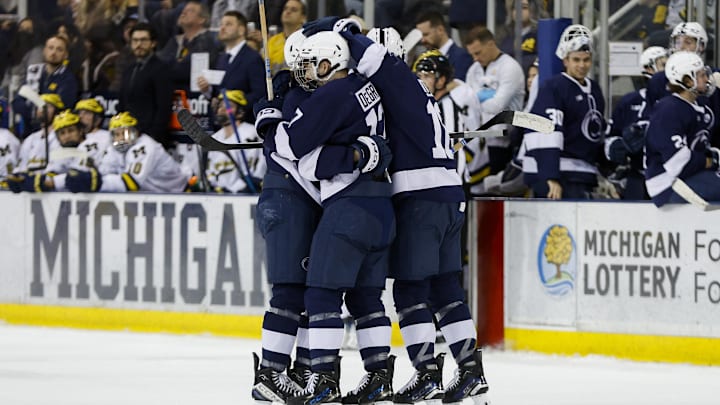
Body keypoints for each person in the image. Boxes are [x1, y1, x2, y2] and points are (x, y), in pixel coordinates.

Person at [303, 17, 490, 404]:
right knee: (445, 287)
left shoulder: (395, 76)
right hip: (450, 194)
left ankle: (427, 372)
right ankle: (471, 371)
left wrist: (332, 27)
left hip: (420, 198)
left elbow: (358, 48)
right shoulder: (416, 91)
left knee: (409, 289)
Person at [255, 30, 396, 405]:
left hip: (343, 204)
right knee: (366, 297)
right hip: (382, 204)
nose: (303, 72)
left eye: (309, 64)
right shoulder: (371, 88)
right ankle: (376, 376)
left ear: (330, 61)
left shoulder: (332, 93)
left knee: (316, 293)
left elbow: (296, 150)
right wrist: (362, 152)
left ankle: (314, 377)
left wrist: (268, 120)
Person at [520, 24, 606, 200]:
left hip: (582, 173)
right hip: (558, 174)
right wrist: (550, 177)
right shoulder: (553, 87)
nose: (582, 65)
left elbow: (596, 132)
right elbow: (544, 131)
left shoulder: (595, 89)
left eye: (586, 59)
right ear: (565, 60)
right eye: (576, 60)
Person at [645, 51, 720, 206]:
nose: (707, 79)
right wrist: (710, 161)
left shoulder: (700, 106)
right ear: (686, 80)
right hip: (668, 184)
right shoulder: (668, 110)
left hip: (689, 178)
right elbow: (678, 164)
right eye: (700, 75)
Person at [63, 111, 192, 193]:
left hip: (180, 194)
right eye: (116, 134)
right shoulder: (114, 149)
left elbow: (131, 183)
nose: (120, 139)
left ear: (136, 132)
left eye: (124, 133)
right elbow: (102, 172)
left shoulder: (145, 146)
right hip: (155, 197)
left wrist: (96, 182)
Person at [464, 26, 526, 193]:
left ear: (491, 44)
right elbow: (467, 105)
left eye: (478, 53)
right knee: (474, 191)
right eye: (472, 54)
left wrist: (477, 98)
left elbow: (497, 106)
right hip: (477, 140)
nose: (475, 58)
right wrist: (485, 97)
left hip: (503, 141)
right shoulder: (473, 70)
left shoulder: (510, 67)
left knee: (494, 192)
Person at [605, 46, 667, 200]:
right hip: (637, 178)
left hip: (671, 178)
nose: (668, 70)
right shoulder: (630, 101)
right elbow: (610, 140)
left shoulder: (678, 102)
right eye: (663, 65)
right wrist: (620, 146)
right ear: (647, 68)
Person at [6, 109, 108, 193]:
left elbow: (78, 178)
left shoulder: (91, 146)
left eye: (71, 131)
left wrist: (46, 183)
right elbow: (53, 173)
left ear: (80, 131)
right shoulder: (61, 151)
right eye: (62, 133)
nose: (67, 136)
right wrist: (25, 179)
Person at [196, 10, 265, 121]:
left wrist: (235, 103)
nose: (222, 28)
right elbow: (219, 92)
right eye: (221, 24)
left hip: (244, 125)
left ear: (241, 30)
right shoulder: (221, 58)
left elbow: (260, 94)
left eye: (228, 24)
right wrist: (207, 90)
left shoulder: (253, 58)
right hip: (222, 126)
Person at [118, 22, 173, 149]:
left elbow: (163, 107)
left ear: (153, 43)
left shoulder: (161, 69)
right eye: (135, 40)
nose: (138, 45)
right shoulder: (129, 70)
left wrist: (152, 137)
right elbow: (122, 103)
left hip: (150, 138)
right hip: (128, 135)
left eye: (143, 40)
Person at [13, 35, 78, 137]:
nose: (53, 53)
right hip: (29, 131)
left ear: (65, 55)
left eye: (59, 49)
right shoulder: (33, 71)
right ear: (44, 51)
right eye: (50, 48)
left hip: (54, 133)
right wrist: (33, 112)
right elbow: (17, 101)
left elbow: (63, 106)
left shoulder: (68, 78)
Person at [205, 89, 266, 193]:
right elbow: (210, 171)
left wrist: (246, 186)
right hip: (219, 196)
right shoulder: (214, 138)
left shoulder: (251, 133)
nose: (223, 109)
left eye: (229, 106)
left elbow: (259, 167)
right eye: (220, 106)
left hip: (246, 194)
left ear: (240, 112)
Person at [415, 11, 474, 81]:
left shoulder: (462, 57)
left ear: (440, 30)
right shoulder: (422, 59)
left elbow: (459, 86)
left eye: (426, 34)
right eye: (421, 36)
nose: (423, 40)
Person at [14, 93, 64, 174]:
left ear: (57, 111)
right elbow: (21, 169)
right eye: (40, 106)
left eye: (48, 106)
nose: (43, 109)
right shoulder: (30, 139)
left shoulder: (62, 137)